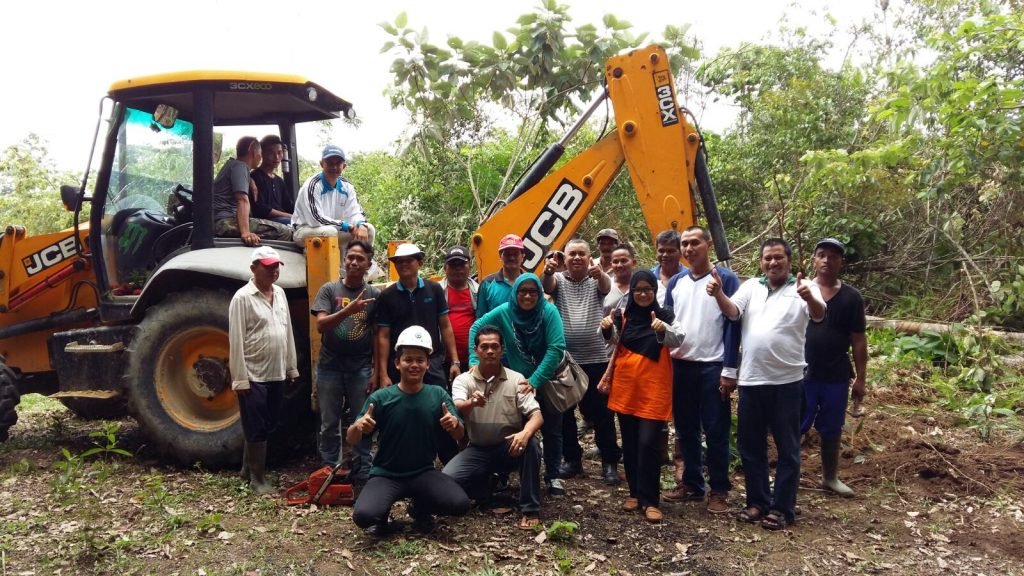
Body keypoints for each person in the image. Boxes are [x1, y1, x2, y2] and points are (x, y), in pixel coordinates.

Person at [706, 238, 825, 531]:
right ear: (761, 262)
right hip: (751, 381)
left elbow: (819, 314)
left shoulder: (804, 287)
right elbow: (733, 312)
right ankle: (757, 501)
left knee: (787, 448)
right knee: (751, 446)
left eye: (778, 258)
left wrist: (808, 296)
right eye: (767, 258)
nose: (773, 263)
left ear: (789, 260)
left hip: (787, 382)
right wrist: (719, 293)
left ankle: (783, 508)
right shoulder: (751, 287)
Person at [348, 326, 470, 536]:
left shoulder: (438, 394)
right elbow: (352, 438)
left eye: (420, 360)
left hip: (423, 472)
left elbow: (460, 435)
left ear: (427, 364)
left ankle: (419, 508)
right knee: (364, 516)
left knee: (460, 504)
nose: (414, 365)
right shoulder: (381, 398)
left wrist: (454, 425)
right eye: (408, 359)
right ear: (397, 363)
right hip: (387, 475)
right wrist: (358, 426)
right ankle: (383, 516)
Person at [663, 226, 741, 514]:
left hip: (713, 366)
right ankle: (692, 483)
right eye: (684, 244)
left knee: (716, 429)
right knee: (685, 429)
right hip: (681, 365)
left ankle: (719, 489)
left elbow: (735, 323)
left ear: (708, 244)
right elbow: (669, 322)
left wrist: (730, 369)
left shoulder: (726, 279)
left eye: (695, 242)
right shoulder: (676, 282)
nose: (688, 249)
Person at [469, 274, 568, 495]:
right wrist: (474, 360)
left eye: (533, 291)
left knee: (552, 428)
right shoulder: (505, 311)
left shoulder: (548, 312)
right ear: (515, 293)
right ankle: (506, 473)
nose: (527, 296)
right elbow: (477, 327)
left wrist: (536, 380)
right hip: (518, 383)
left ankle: (553, 476)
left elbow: (556, 347)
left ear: (540, 293)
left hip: (548, 381)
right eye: (522, 291)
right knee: (514, 428)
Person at [599, 270, 682, 523]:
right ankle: (635, 493)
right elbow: (615, 341)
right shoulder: (622, 316)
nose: (643, 294)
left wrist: (661, 330)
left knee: (649, 443)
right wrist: (606, 329)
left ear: (654, 292)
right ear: (632, 292)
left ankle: (651, 500)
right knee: (632, 443)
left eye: (648, 289)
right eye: (638, 290)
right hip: (626, 388)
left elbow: (678, 339)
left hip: (653, 390)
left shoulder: (665, 315)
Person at [443, 326, 544, 530]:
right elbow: (458, 406)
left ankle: (530, 508)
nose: (490, 351)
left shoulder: (516, 379)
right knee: (447, 480)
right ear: (476, 350)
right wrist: (472, 402)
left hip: (509, 447)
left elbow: (537, 415)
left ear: (502, 350)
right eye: (484, 347)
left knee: (531, 444)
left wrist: (525, 432)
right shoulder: (464, 380)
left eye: (494, 346)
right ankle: (486, 487)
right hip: (477, 449)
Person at [542, 239, 622, 486]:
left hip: (596, 357)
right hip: (566, 359)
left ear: (590, 258)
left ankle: (609, 462)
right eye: (572, 254)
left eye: (581, 254)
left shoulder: (596, 280)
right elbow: (548, 285)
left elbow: (607, 287)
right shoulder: (559, 281)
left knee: (602, 413)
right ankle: (572, 460)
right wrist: (547, 270)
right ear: (565, 258)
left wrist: (599, 274)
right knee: (565, 413)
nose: (576, 258)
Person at [229, 246, 299, 495]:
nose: (274, 271)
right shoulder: (242, 298)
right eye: (268, 267)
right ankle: (257, 479)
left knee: (268, 423)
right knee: (255, 426)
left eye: (276, 266)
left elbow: (286, 330)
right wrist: (240, 379)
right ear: (253, 269)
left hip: (276, 371)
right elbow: (236, 341)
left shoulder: (279, 293)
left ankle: (247, 469)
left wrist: (291, 368)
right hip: (254, 373)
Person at [803, 238, 867, 498]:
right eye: (822, 255)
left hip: (836, 374)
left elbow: (859, 340)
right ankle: (787, 476)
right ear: (814, 260)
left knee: (831, 427)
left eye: (833, 256)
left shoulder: (851, 297)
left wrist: (861, 379)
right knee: (795, 424)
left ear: (841, 262)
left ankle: (830, 477)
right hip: (802, 372)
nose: (827, 260)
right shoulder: (801, 290)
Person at [311, 240, 379, 484]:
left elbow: (377, 335)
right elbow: (321, 324)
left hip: (360, 367)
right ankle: (330, 469)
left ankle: (362, 469)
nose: (353, 262)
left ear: (368, 265)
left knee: (362, 419)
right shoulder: (329, 290)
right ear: (344, 260)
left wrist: (376, 370)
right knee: (329, 421)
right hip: (330, 365)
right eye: (350, 257)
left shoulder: (374, 295)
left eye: (360, 259)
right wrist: (347, 312)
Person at [213, 136, 293, 246]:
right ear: (252, 150)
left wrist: (249, 179)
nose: (260, 157)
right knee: (285, 231)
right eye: (260, 152)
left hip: (224, 219)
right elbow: (242, 200)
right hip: (224, 222)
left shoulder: (235, 166)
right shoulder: (240, 167)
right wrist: (246, 232)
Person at [292, 145, 375, 249]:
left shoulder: (347, 186)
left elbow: (355, 212)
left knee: (369, 230)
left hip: (333, 229)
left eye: (338, 163)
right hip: (304, 231)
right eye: (330, 163)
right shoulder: (312, 185)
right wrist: (346, 226)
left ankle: (360, 263)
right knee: (330, 232)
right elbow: (316, 220)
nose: (334, 167)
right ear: (322, 164)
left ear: (344, 166)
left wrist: (361, 224)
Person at [439, 246, 479, 369]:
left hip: (473, 359)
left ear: (470, 267)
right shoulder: (437, 291)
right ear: (445, 268)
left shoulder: (478, 291)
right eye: (452, 265)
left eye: (462, 264)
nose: (458, 268)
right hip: (443, 359)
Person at [476, 234, 526, 316]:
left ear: (522, 256)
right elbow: (480, 318)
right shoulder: (487, 284)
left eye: (515, 254)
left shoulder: (530, 282)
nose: (511, 258)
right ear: (500, 256)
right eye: (507, 254)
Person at [250, 135, 293, 225]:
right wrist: (290, 217)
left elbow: (288, 206)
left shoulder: (279, 181)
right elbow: (260, 209)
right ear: (262, 153)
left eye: (279, 152)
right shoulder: (255, 177)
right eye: (271, 153)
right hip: (265, 221)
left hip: (283, 219)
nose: (276, 157)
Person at [652, 230, 683, 306]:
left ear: (681, 252)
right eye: (661, 251)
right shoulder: (648, 278)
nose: (665, 255)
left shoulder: (689, 277)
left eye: (671, 251)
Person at [605, 244, 636, 315]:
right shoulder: (605, 286)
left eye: (624, 261)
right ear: (611, 264)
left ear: (634, 263)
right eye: (615, 262)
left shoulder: (642, 286)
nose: (619, 265)